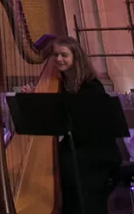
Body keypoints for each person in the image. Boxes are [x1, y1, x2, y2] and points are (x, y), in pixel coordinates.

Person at [25, 37, 121, 214]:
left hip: (96, 152)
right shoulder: (60, 85)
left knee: (66, 167)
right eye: (55, 55)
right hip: (76, 148)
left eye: (64, 55)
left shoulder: (91, 87)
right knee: (60, 164)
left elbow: (87, 127)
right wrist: (34, 100)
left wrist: (47, 103)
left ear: (76, 57)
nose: (59, 59)